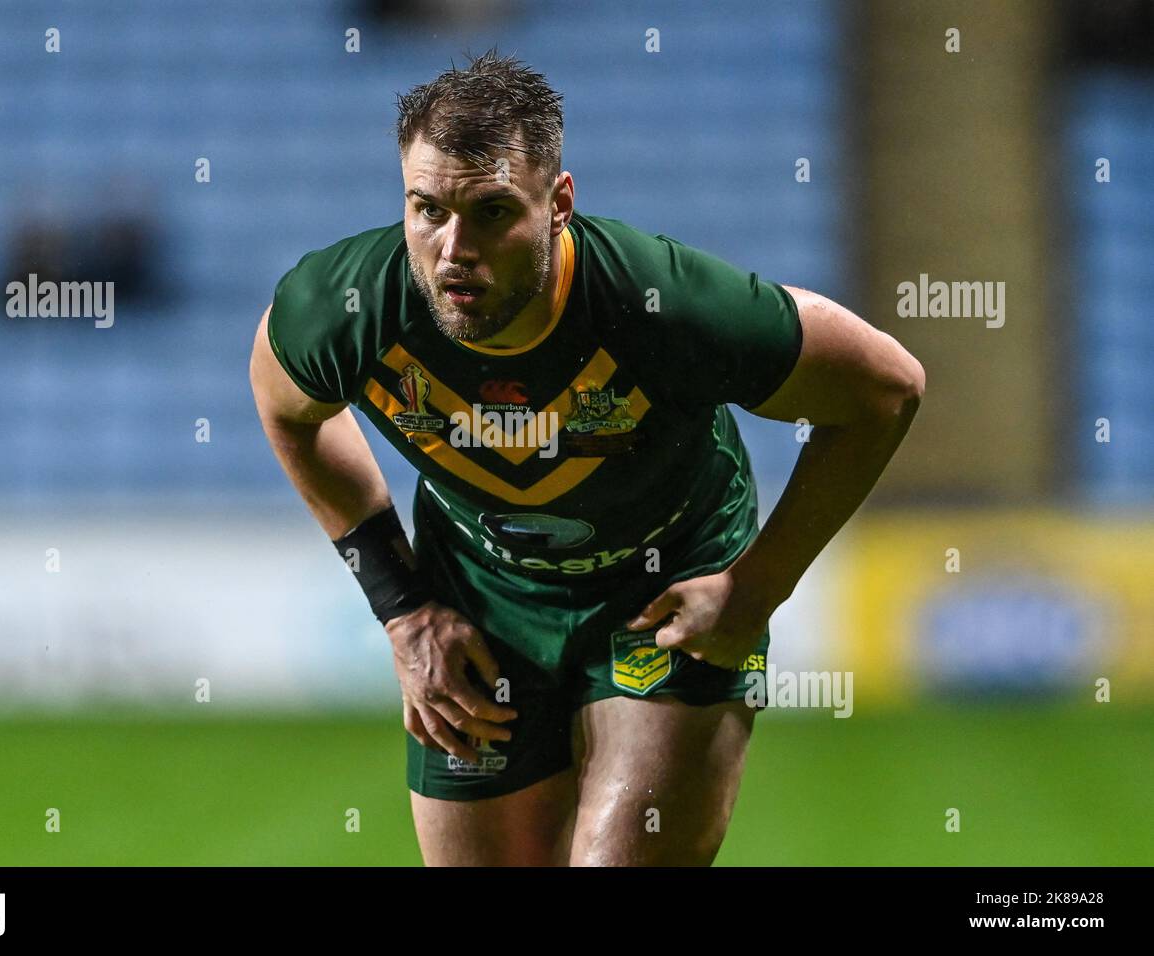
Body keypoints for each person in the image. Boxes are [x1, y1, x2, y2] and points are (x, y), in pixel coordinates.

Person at [249, 50, 924, 866]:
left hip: (665, 591)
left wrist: (756, 590)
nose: (452, 248)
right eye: (426, 209)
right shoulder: (346, 307)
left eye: (493, 212)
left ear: (559, 203)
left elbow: (885, 388)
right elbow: (289, 412)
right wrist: (403, 605)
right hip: (482, 597)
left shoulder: (663, 305)